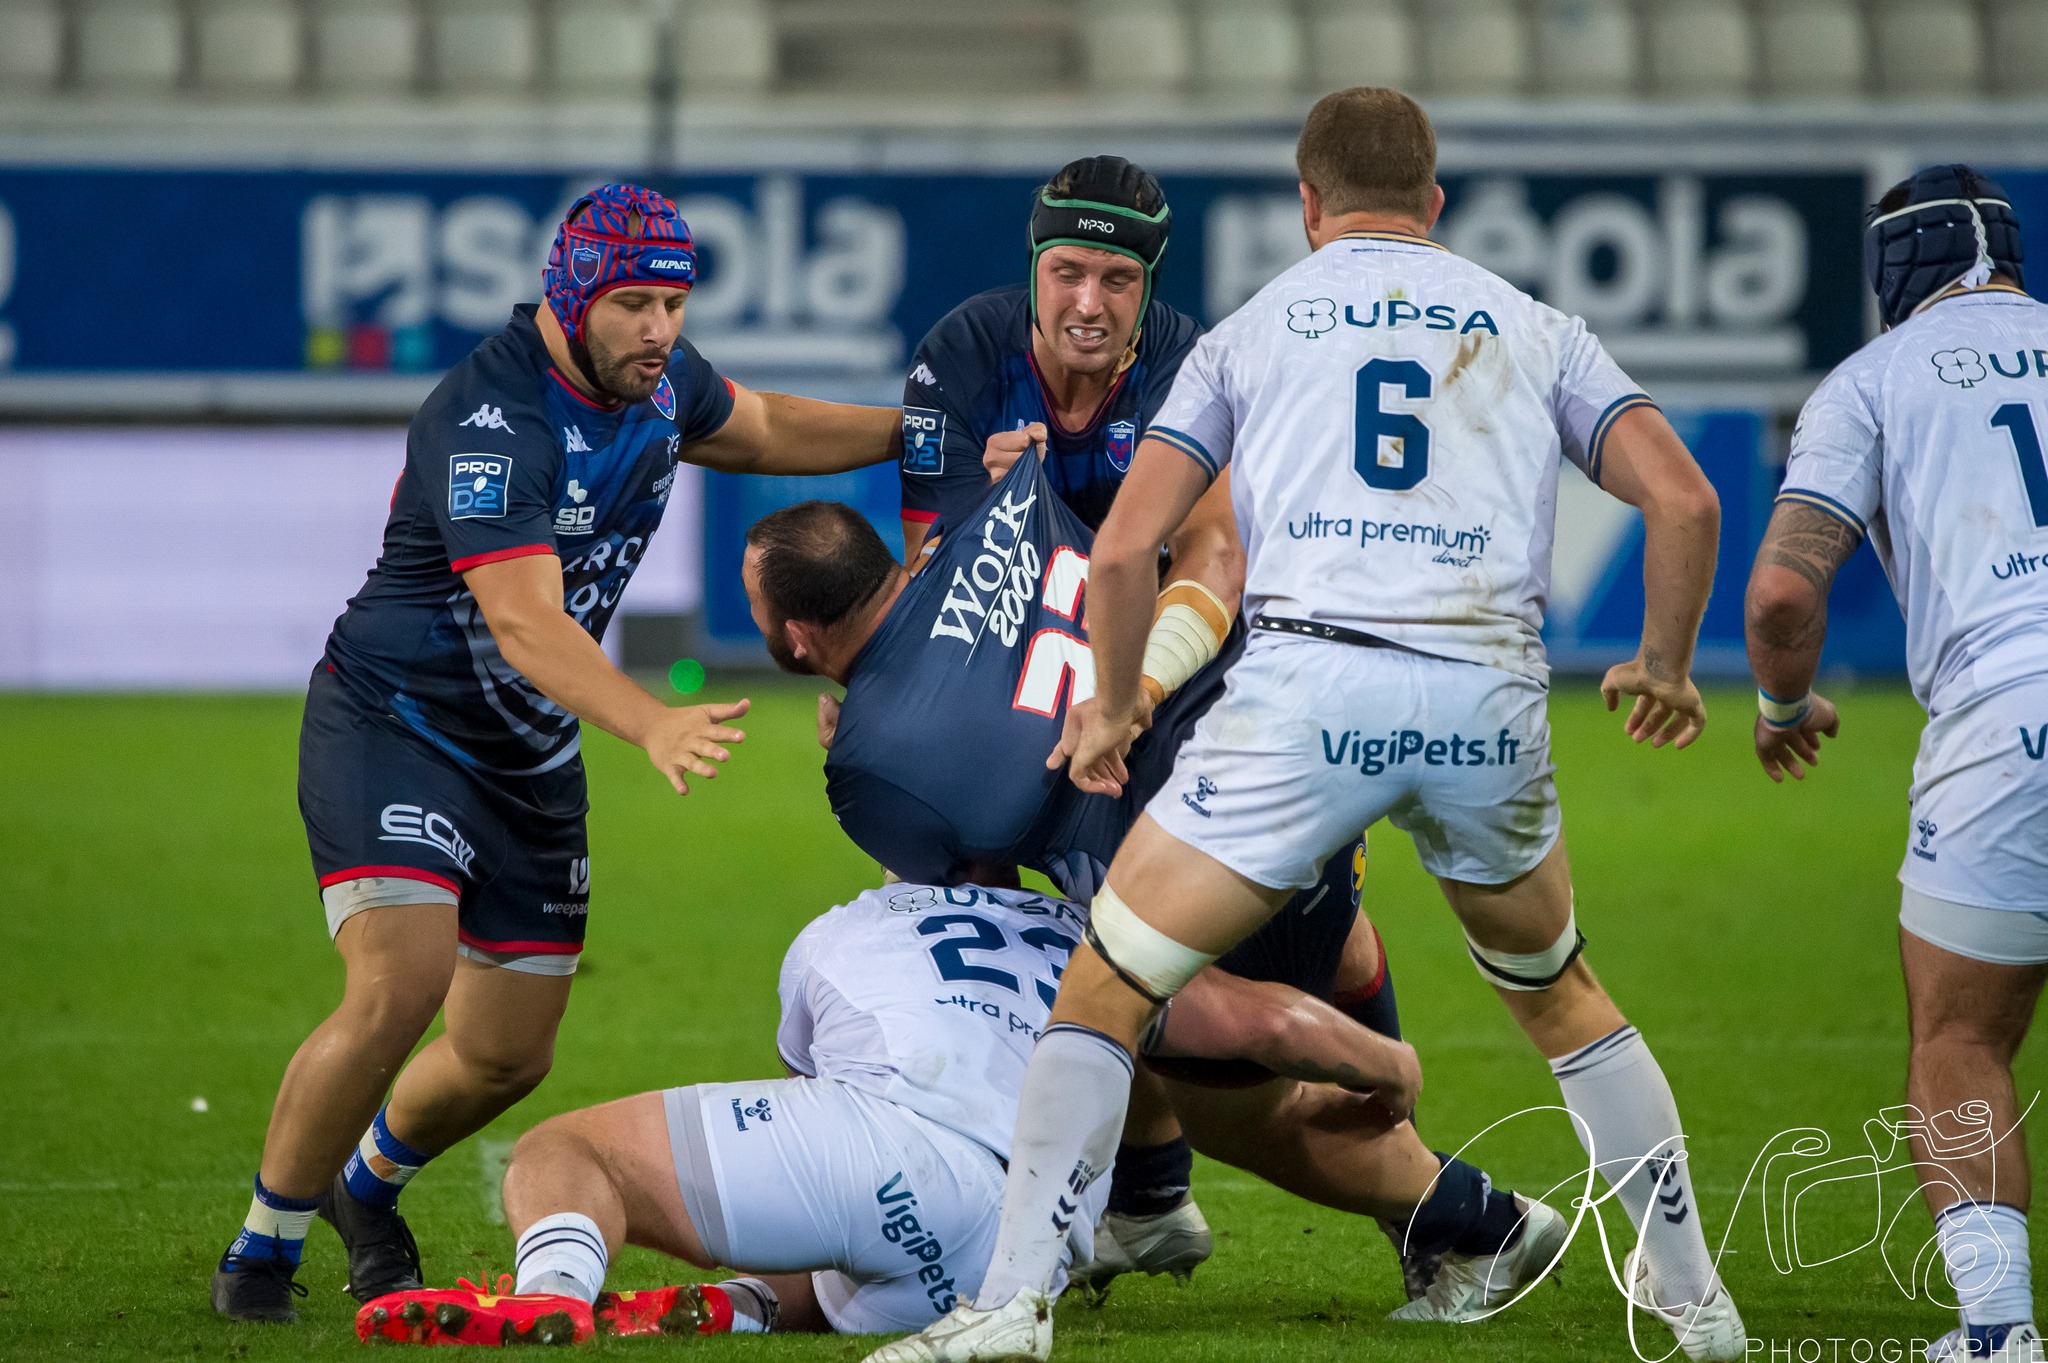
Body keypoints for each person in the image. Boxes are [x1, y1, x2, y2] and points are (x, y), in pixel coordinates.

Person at [868, 87, 1744, 1363]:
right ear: (1434, 205)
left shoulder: (1251, 329)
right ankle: (1690, 1301)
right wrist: (1663, 664)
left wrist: (1113, 706)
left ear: (1306, 203)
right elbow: (1684, 497)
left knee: (1105, 984)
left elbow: (1123, 554)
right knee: (1564, 1000)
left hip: (1307, 697)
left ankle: (1010, 1308)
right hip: (1482, 689)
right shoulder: (1533, 325)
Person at [211, 183, 905, 1325]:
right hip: (401, 725)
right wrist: (649, 719)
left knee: (505, 1058)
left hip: (526, 756)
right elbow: (526, 622)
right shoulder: (491, 420)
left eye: (674, 302)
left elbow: (771, 427)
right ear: (571, 296)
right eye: (634, 302)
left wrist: (908, 432)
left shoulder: (660, 384)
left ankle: (362, 1185)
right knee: (400, 983)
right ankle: (262, 1250)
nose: (660, 330)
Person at [354, 879, 1559, 1346]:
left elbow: (816, 1094)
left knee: (571, 1153)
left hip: (910, 1167)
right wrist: (1387, 1064)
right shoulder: (1097, 940)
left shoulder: (839, 924)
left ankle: (551, 1296)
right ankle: (733, 1311)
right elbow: (1263, 1027)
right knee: (845, 1261)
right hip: (1016, 1250)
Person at [1744, 165, 2048, 1363]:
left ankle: (1994, 1332)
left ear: (1890, 271)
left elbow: (1777, 592)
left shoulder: (1870, 382)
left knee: (1960, 1040)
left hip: (2002, 719)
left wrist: (1779, 704)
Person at [896, 155, 1204, 559]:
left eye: (1117, 280)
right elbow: (926, 574)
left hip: (1139, 618)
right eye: (1068, 274)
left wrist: (1037, 518)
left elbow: (1207, 560)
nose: (1089, 305)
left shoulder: (1188, 366)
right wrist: (987, 506)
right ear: (1034, 270)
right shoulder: (958, 356)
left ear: (1148, 288)